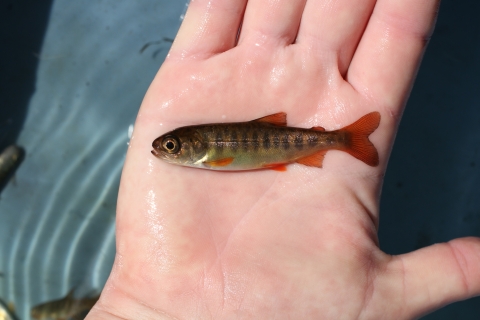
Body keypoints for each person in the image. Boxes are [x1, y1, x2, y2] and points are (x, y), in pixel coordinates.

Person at [86, 0, 480, 318]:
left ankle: (346, 138)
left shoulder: (211, 156)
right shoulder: (207, 154)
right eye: (170, 146)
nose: (163, 151)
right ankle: (345, 139)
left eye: (171, 147)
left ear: (191, 147)